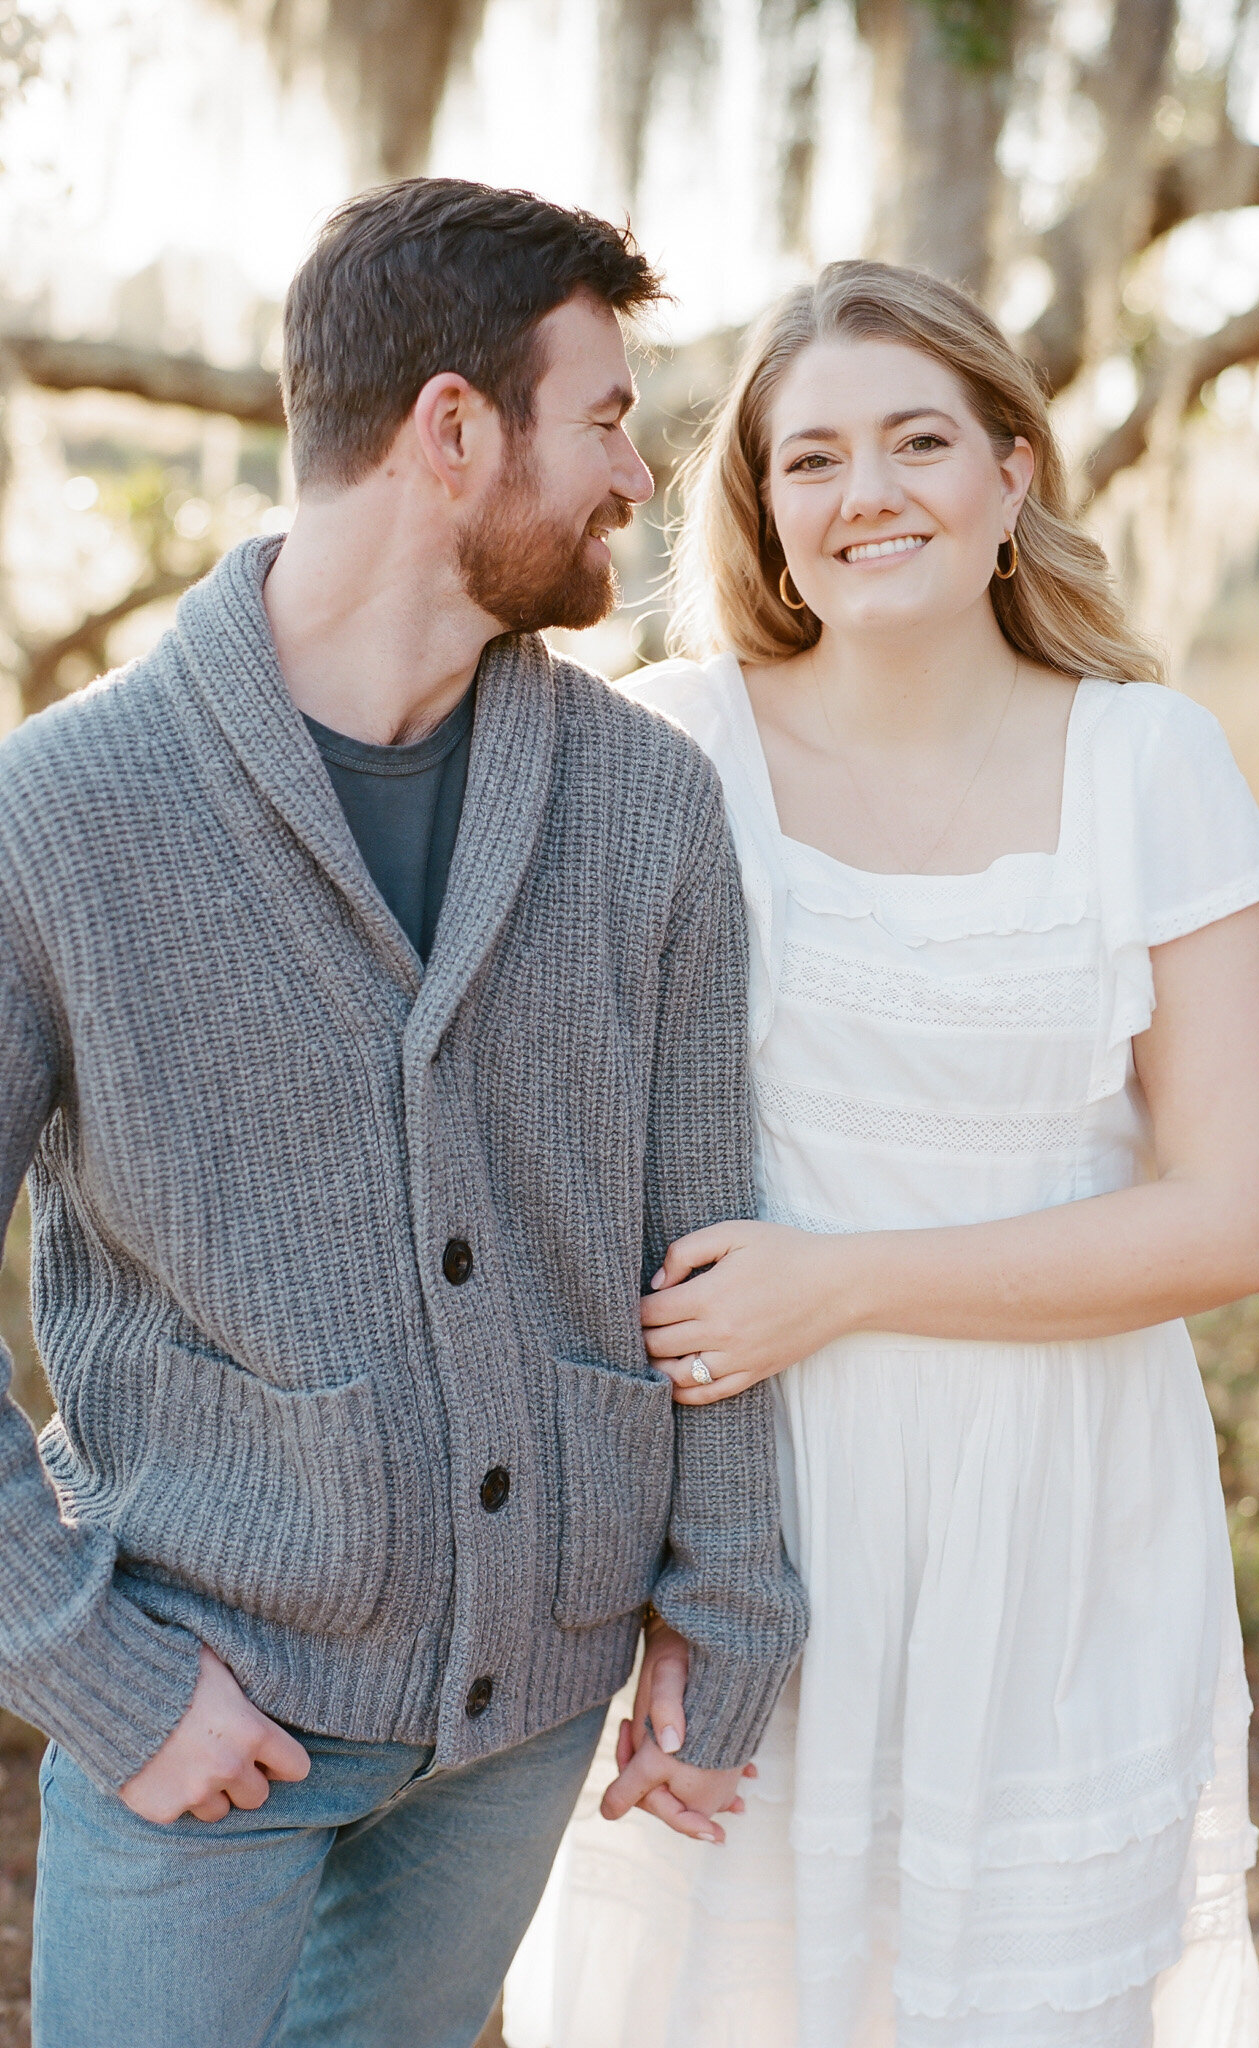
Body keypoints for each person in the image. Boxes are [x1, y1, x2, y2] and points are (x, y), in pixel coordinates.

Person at [0, 177, 805, 2048]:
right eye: (604, 417)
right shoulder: (59, 820)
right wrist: (89, 1669)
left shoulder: (646, 809)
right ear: (454, 430)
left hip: (525, 1730)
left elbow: (709, 1256)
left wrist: (727, 1601)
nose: (639, 474)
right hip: (202, 1733)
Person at [552, 259, 1259, 2046]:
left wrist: (848, 1282)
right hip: (753, 1522)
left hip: (1058, 1513)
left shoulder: (1151, 763)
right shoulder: (675, 748)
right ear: (764, 509)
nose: (865, 492)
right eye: (810, 460)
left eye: (917, 441)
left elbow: (1243, 1216)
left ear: (1012, 476)